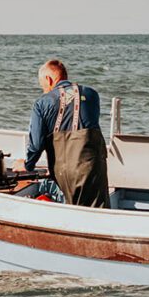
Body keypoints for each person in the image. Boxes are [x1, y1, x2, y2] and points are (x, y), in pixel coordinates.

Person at [13, 59, 110, 208]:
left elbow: (37, 144)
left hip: (66, 170)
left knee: (70, 210)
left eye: (42, 86)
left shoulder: (43, 102)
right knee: (97, 211)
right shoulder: (92, 95)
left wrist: (27, 165)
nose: (44, 89)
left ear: (48, 79)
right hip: (93, 166)